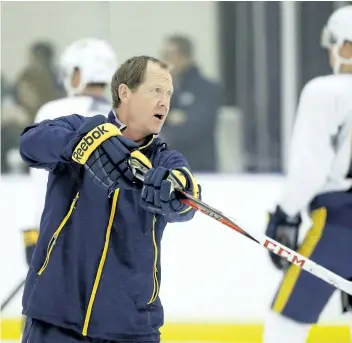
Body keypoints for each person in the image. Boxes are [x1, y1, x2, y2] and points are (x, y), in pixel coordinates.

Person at [19, 55, 201, 343]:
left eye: (168, 94)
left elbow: (187, 194)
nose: (165, 102)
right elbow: (30, 144)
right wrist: (84, 143)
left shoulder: (164, 159)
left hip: (132, 327)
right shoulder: (78, 127)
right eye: (156, 91)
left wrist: (176, 193)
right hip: (56, 318)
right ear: (125, 92)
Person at [263, 5, 352, 343]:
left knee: (286, 320)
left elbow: (310, 164)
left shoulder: (326, 91)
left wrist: (286, 214)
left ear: (346, 44)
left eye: (333, 43)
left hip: (340, 223)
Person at [22, 38, 118, 270]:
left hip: (54, 235)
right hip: (111, 241)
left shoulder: (52, 111)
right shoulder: (122, 116)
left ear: (78, 73)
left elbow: (40, 176)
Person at [160, 34, 222, 172]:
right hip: (170, 168)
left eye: (169, 55)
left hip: (199, 167)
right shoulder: (166, 92)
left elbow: (198, 126)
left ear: (184, 56)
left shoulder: (206, 89)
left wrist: (169, 130)